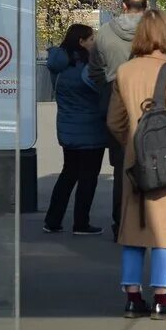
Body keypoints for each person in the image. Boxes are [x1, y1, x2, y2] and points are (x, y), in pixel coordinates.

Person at [107, 10, 166, 320]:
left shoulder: (124, 71)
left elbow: (114, 121)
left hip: (135, 160)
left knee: (135, 228)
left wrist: (132, 142)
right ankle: (162, 296)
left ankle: (132, 297)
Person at [89, 0, 152, 241]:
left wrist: (108, 88)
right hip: (150, 107)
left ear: (123, 6)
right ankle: (146, 224)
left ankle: (120, 224)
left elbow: (94, 71)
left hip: (117, 107)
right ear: (145, 6)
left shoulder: (104, 33)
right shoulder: (155, 32)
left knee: (120, 171)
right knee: (153, 165)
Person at [43, 24, 107, 235]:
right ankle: (81, 223)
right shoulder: (87, 68)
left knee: (68, 173)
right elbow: (100, 90)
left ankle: (52, 220)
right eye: (90, 39)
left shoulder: (59, 67)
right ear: (81, 42)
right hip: (90, 128)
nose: (93, 43)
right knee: (88, 176)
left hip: (67, 127)